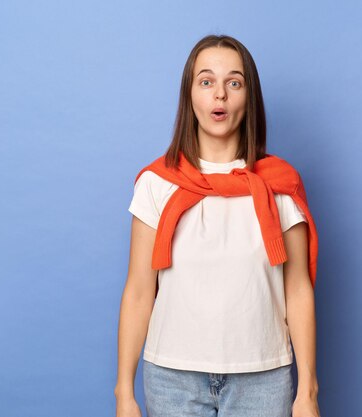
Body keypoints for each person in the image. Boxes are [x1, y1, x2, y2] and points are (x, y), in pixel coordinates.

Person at [115, 34, 321, 417]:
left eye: (234, 82)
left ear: (249, 96)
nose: (220, 95)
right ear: (189, 95)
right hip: (171, 378)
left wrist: (307, 391)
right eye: (206, 81)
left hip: (263, 378)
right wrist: (123, 393)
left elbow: (298, 290)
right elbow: (140, 291)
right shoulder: (157, 183)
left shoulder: (279, 184)